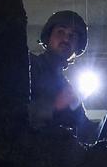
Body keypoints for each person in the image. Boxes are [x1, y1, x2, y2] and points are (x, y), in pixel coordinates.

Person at [29, 10, 95, 140]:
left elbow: (86, 129)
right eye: (60, 32)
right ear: (48, 37)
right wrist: (54, 105)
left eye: (72, 36)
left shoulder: (67, 87)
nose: (66, 39)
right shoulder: (30, 65)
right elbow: (12, 110)